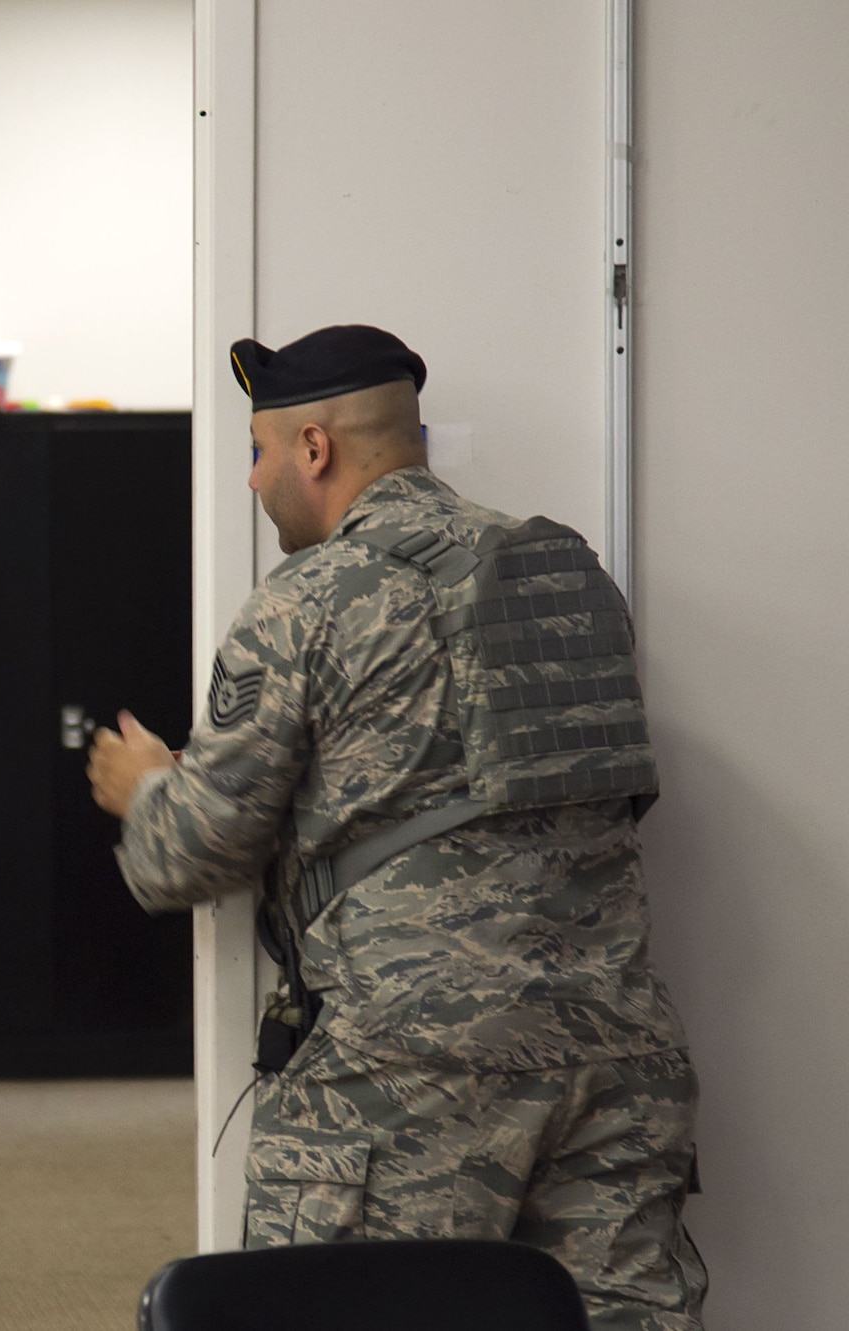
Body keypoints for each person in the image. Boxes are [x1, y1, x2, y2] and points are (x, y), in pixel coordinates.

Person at [86, 326, 705, 1330]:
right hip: (615, 1050)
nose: (250, 481)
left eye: (257, 452)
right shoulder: (569, 581)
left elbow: (185, 853)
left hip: (411, 1064)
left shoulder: (305, 602)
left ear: (314, 448)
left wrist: (144, 785)